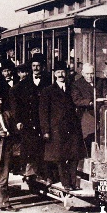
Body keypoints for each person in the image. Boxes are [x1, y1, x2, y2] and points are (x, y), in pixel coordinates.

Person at [39, 61, 86, 191]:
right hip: (57, 130)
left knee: (74, 156)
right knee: (61, 158)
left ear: (66, 73)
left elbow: (78, 102)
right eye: (58, 72)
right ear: (54, 74)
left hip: (72, 128)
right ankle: (65, 183)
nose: (60, 74)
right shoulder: (47, 91)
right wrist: (46, 131)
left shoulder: (72, 88)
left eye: (62, 72)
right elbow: (43, 113)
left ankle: (73, 182)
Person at [9, 53, 51, 182]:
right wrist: (18, 120)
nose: (36, 68)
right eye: (34, 66)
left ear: (42, 67)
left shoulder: (48, 81)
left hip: (44, 119)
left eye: (38, 66)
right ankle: (30, 173)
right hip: (29, 120)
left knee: (45, 147)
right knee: (31, 147)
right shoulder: (23, 84)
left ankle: (44, 174)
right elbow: (16, 103)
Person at [71, 63, 95, 156]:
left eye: (92, 74)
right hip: (86, 114)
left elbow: (104, 95)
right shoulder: (77, 84)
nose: (90, 76)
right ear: (83, 73)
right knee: (88, 137)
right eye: (87, 74)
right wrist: (89, 102)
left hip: (100, 113)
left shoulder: (100, 82)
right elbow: (77, 100)